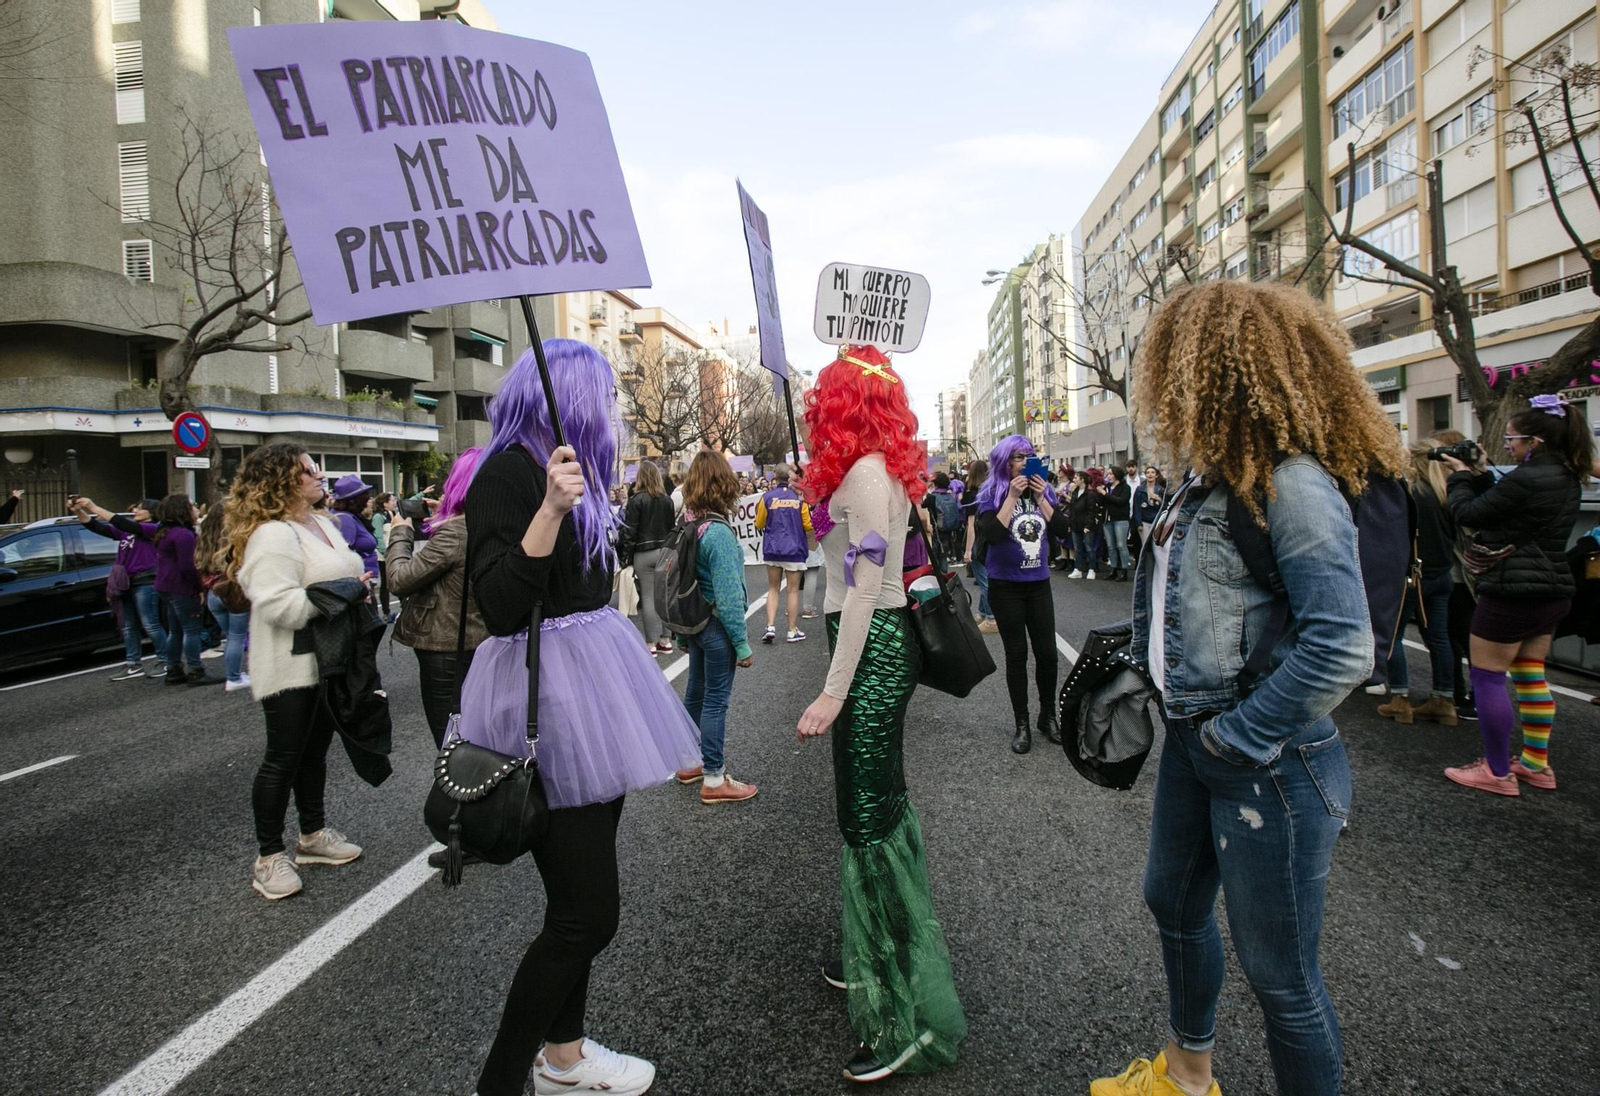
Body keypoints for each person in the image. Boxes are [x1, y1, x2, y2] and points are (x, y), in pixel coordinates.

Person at [1092, 281, 1398, 1096]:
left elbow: (1342, 644)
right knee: (1174, 903)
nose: (1172, 390)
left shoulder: (1290, 482)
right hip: (1202, 745)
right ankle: (1190, 1077)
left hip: (1270, 763)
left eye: (1183, 372)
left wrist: (1237, 734)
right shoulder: (1210, 477)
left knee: (1283, 981)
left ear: (1225, 373)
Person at [455, 340, 700, 1096]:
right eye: (605, 395)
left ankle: (563, 1058)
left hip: (592, 693)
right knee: (587, 918)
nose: (614, 411)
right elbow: (496, 603)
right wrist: (550, 511)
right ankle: (501, 1083)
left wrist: (574, 500)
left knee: (576, 905)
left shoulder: (575, 471)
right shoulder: (508, 473)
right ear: (562, 395)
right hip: (544, 697)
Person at [796, 344, 966, 1084]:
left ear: (841, 402)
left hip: (873, 652)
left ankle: (909, 1018)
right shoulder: (875, 471)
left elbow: (864, 590)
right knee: (871, 811)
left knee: (870, 818)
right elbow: (855, 565)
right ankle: (871, 954)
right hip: (872, 645)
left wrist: (835, 690)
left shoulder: (866, 474)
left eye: (822, 394)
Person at [227, 445, 368, 901]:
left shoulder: (321, 524)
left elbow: (342, 577)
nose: (319, 474)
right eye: (309, 470)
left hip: (329, 661)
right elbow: (276, 603)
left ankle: (312, 835)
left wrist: (353, 588)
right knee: (283, 758)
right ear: (283, 480)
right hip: (291, 667)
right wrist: (346, 593)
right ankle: (269, 856)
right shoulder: (273, 534)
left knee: (314, 755)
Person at [1439, 394, 1591, 795]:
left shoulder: (1527, 478)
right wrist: (1484, 474)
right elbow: (1511, 505)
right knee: (1529, 675)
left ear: (1534, 442)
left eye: (1513, 438)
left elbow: (1468, 514)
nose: (1509, 444)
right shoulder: (1567, 475)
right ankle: (1535, 765)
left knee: (1487, 677)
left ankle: (1495, 770)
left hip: (1512, 588)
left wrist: (1459, 477)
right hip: (1552, 587)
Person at [385, 448, 487, 749]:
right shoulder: (494, 523)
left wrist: (400, 533)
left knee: (451, 744)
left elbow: (399, 580)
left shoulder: (456, 531)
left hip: (446, 645)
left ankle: (459, 794)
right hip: (484, 638)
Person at [673, 450, 760, 803]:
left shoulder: (688, 526)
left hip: (694, 624)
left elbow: (681, 583)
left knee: (695, 692)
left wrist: (680, 632)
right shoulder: (719, 534)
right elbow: (727, 597)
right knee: (715, 701)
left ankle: (692, 761)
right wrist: (742, 644)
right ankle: (713, 777)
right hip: (716, 629)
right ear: (724, 485)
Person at [977, 435, 1072, 754]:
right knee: (1016, 655)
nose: (1024, 461)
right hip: (1005, 585)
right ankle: (1022, 723)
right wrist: (1012, 498)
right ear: (1005, 462)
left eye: (1029, 456)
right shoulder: (991, 493)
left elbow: (1061, 529)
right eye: (1018, 456)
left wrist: (1041, 496)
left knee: (1047, 653)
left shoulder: (1043, 492)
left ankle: (1048, 716)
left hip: (1038, 583)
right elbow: (991, 534)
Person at [1375, 441, 1458, 726]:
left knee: (1394, 636)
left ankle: (1400, 698)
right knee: (1439, 638)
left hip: (1412, 576)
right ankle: (1444, 698)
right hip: (1442, 575)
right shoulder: (1448, 493)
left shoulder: (1412, 494)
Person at [74, 495, 169, 680]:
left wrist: (93, 506)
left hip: (145, 582)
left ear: (152, 513)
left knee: (150, 623)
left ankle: (166, 660)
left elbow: (120, 522)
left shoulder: (153, 529)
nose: (134, 511)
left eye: (139, 508)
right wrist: (78, 510)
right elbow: (97, 527)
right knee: (128, 626)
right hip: (126, 583)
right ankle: (133, 664)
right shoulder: (128, 532)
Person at [151, 494, 217, 686]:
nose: (196, 509)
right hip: (181, 586)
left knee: (176, 630)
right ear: (183, 510)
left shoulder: (165, 532)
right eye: (192, 506)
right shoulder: (184, 535)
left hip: (165, 585)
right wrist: (199, 588)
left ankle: (174, 669)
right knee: (192, 629)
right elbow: (188, 566)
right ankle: (195, 669)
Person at [619, 460, 677, 655]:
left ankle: (651, 643)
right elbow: (671, 529)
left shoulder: (636, 500)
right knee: (665, 596)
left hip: (643, 553)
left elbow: (630, 532)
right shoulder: (667, 500)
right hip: (664, 551)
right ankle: (666, 640)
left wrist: (625, 558)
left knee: (648, 597)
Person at [194, 506, 251, 692]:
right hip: (232, 591)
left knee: (231, 637)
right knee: (237, 636)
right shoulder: (233, 539)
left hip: (213, 593)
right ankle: (234, 677)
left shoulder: (203, 540)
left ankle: (233, 673)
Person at [756, 465, 814, 645]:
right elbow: (808, 525)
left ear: (775, 478)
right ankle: (792, 630)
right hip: (794, 549)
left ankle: (770, 626)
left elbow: (759, 523)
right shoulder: (799, 498)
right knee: (792, 590)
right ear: (789, 478)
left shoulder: (766, 497)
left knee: (773, 588)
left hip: (773, 548)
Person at [959, 459, 997, 634]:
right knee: (986, 579)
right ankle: (983, 614)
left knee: (984, 581)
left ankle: (991, 618)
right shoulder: (992, 491)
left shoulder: (971, 493)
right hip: (990, 537)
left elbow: (971, 524)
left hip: (977, 539)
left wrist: (967, 550)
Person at [328, 476, 380, 583]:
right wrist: (358, 583)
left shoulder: (349, 516)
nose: (368, 498)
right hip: (358, 580)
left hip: (361, 578)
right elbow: (345, 557)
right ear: (354, 500)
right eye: (365, 495)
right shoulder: (344, 519)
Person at [1064, 471, 1105, 580]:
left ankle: (1091, 569)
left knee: (1089, 547)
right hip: (1075, 524)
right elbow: (1071, 508)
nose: (1074, 480)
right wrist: (1070, 524)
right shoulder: (1075, 492)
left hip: (1086, 525)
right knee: (1077, 548)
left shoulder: (1090, 494)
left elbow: (1092, 511)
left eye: (1076, 478)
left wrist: (1088, 525)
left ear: (1082, 479)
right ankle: (1078, 569)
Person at [1103, 466, 1134, 581]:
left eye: (1111, 474)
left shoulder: (1125, 487)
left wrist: (1105, 495)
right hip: (1108, 519)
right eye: (1108, 474)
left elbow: (1120, 501)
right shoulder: (1107, 487)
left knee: (1121, 545)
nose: (1109, 476)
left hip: (1120, 519)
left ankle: (1124, 570)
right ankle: (1114, 568)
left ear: (1117, 475)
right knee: (1110, 546)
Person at [370, 492, 397, 620]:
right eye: (392, 500)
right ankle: (386, 613)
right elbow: (378, 536)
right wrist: (385, 552)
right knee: (386, 584)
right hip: (384, 555)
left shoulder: (393, 514)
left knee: (396, 581)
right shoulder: (378, 517)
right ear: (385, 503)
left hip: (393, 552)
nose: (395, 502)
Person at [1132, 466, 1166, 544]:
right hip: (1144, 522)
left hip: (1157, 521)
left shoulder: (1161, 490)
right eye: (1148, 472)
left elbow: (1166, 506)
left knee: (1156, 546)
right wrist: (1138, 523)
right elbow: (1136, 507)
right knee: (1145, 545)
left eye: (1152, 472)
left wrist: (1159, 500)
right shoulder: (1140, 489)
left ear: (1156, 475)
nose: (1150, 474)